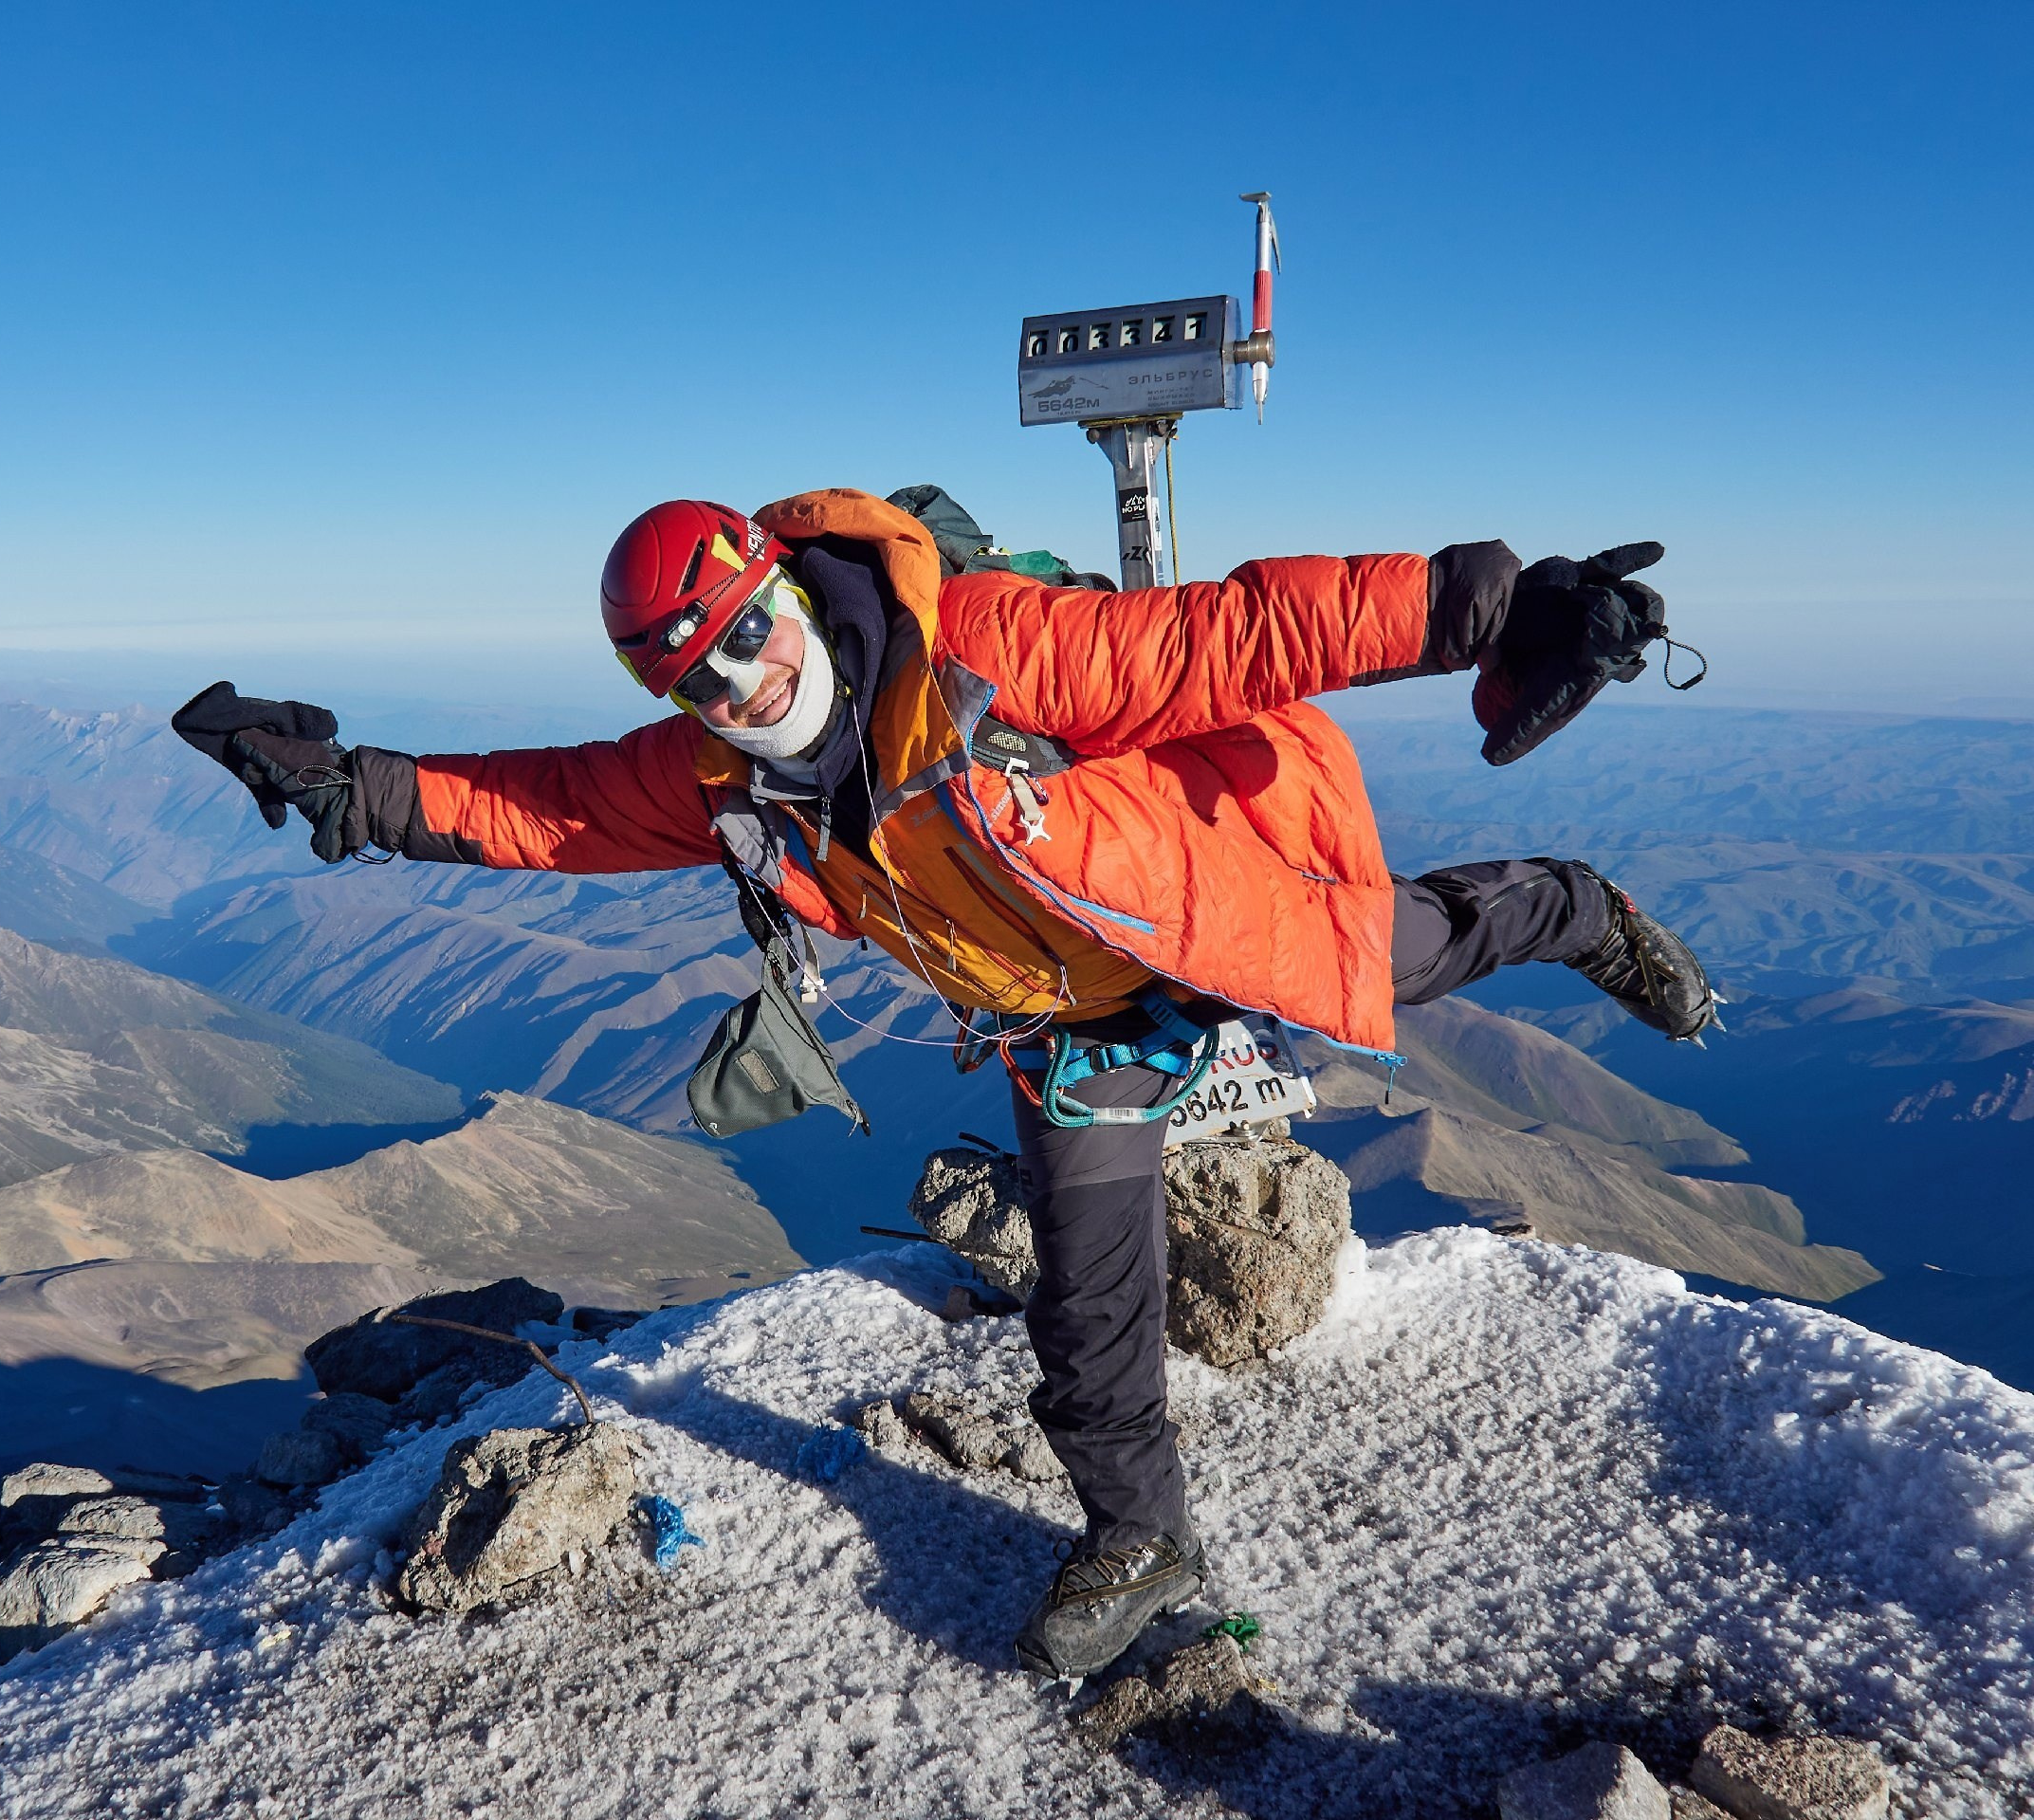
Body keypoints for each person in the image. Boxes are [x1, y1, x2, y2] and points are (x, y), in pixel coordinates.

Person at [174, 487, 1717, 1681]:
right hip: (1069, 1016)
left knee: (1417, 950)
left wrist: (1496, 605)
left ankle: (1578, 906)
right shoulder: (713, 774)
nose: (739, 678)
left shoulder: (991, 647)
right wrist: (350, 787)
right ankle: (1141, 1544)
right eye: (696, 674)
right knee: (1086, 1293)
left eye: (749, 630)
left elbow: (1238, 632)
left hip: (1209, 911)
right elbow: (550, 806)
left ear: (782, 583)